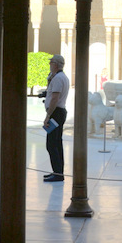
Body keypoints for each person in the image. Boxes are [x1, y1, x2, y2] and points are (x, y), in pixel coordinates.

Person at [43, 53, 69, 182]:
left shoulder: (58, 78)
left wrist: (48, 116)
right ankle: (57, 172)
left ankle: (58, 174)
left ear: (56, 64)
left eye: (51, 62)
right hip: (58, 112)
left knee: (52, 144)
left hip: (56, 113)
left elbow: (55, 98)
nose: (49, 64)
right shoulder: (59, 77)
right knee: (56, 143)